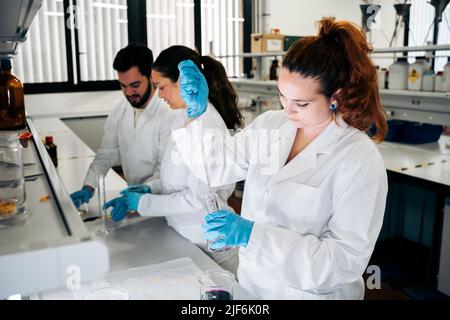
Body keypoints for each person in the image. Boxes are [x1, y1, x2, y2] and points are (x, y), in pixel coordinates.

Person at [172, 19, 388, 299]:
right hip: (252, 287)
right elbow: (215, 167)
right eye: (282, 96)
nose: (288, 110)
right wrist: (199, 112)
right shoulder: (272, 126)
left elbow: (342, 262)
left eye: (301, 103)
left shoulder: (358, 159)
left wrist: (252, 236)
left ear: (337, 97)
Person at [104, 45, 245, 274]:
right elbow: (174, 176)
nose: (158, 94)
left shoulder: (207, 125)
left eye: (161, 86)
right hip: (184, 235)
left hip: (210, 246)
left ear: (183, 81)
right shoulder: (181, 117)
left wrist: (142, 204)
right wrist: (150, 188)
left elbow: (198, 200)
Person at [70, 44, 175, 211]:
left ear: (151, 76)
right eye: (123, 86)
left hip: (161, 201)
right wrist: (88, 187)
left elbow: (166, 172)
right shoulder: (119, 110)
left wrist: (142, 194)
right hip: (131, 197)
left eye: (135, 85)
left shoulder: (168, 113)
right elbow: (105, 154)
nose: (128, 92)